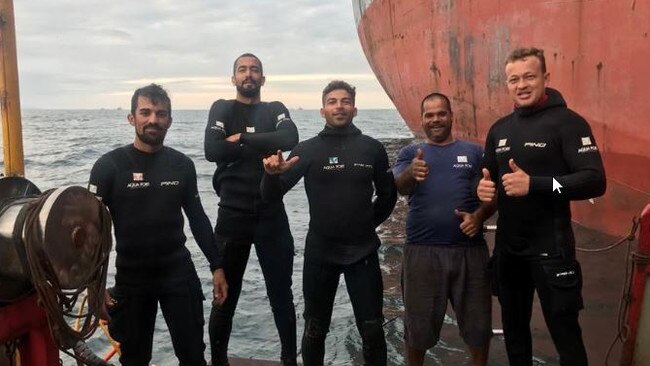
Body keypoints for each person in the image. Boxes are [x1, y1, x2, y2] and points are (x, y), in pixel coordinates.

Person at [477, 47, 606, 365]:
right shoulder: (499, 129)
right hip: (509, 252)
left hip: (551, 250)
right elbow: (488, 181)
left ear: (546, 78)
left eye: (529, 77)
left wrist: (536, 184)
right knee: (515, 335)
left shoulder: (568, 123)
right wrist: (481, 189)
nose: (521, 85)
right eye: (513, 79)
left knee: (567, 338)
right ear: (507, 84)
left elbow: (594, 181)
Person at [88, 83, 228, 366]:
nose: (153, 119)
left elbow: (198, 219)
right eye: (145, 112)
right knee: (136, 359)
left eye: (161, 113)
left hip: (178, 273)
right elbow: (91, 231)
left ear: (170, 121)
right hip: (132, 277)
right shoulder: (109, 167)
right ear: (132, 118)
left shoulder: (182, 165)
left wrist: (217, 266)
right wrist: (95, 285)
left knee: (192, 356)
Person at [261, 80, 397, 366]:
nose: (339, 106)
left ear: (355, 109)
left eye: (345, 101)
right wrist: (270, 175)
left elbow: (387, 195)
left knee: (372, 329)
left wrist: (365, 223)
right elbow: (271, 196)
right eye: (333, 101)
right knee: (314, 329)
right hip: (321, 252)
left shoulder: (372, 148)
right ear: (322, 110)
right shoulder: (308, 149)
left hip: (363, 252)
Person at [204, 53, 299, 366]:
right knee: (224, 297)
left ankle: (288, 360)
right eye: (242, 70)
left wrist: (242, 138)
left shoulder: (275, 109)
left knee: (281, 295)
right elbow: (212, 150)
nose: (249, 74)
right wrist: (262, 145)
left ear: (263, 77)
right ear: (233, 78)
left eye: (254, 69)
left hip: (272, 215)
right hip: (232, 216)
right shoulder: (222, 107)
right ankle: (218, 361)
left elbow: (290, 137)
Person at [393, 92, 494, 366]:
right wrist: (411, 173)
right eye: (429, 115)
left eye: (441, 113)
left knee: (478, 328)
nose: (435, 119)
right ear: (422, 120)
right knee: (418, 330)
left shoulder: (474, 152)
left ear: (451, 116)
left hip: (469, 252)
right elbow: (400, 187)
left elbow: (489, 194)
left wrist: (479, 215)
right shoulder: (408, 154)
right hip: (421, 253)